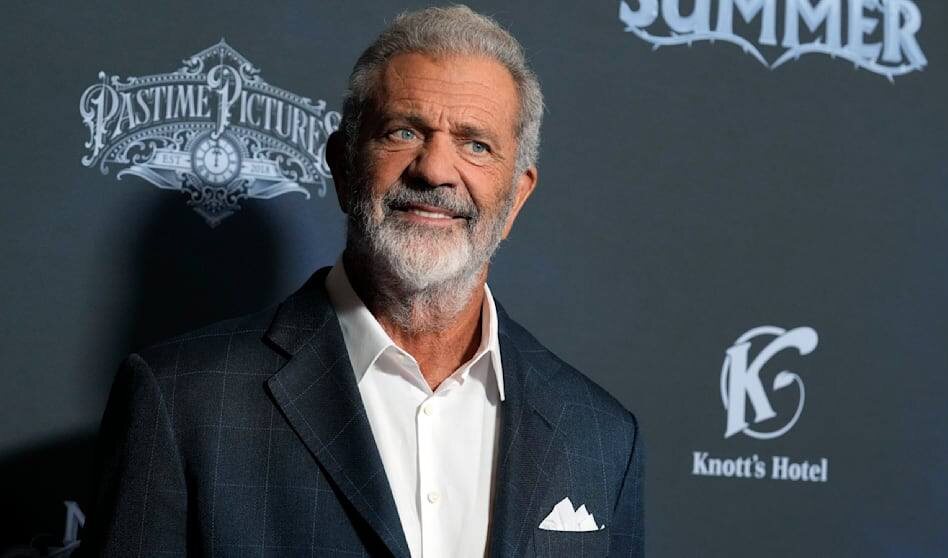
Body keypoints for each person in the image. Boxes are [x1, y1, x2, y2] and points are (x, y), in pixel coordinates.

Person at [87, 5, 644, 557]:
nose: (434, 170)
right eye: (404, 132)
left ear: (517, 196)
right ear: (343, 165)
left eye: (476, 144)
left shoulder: (597, 434)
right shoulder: (182, 401)